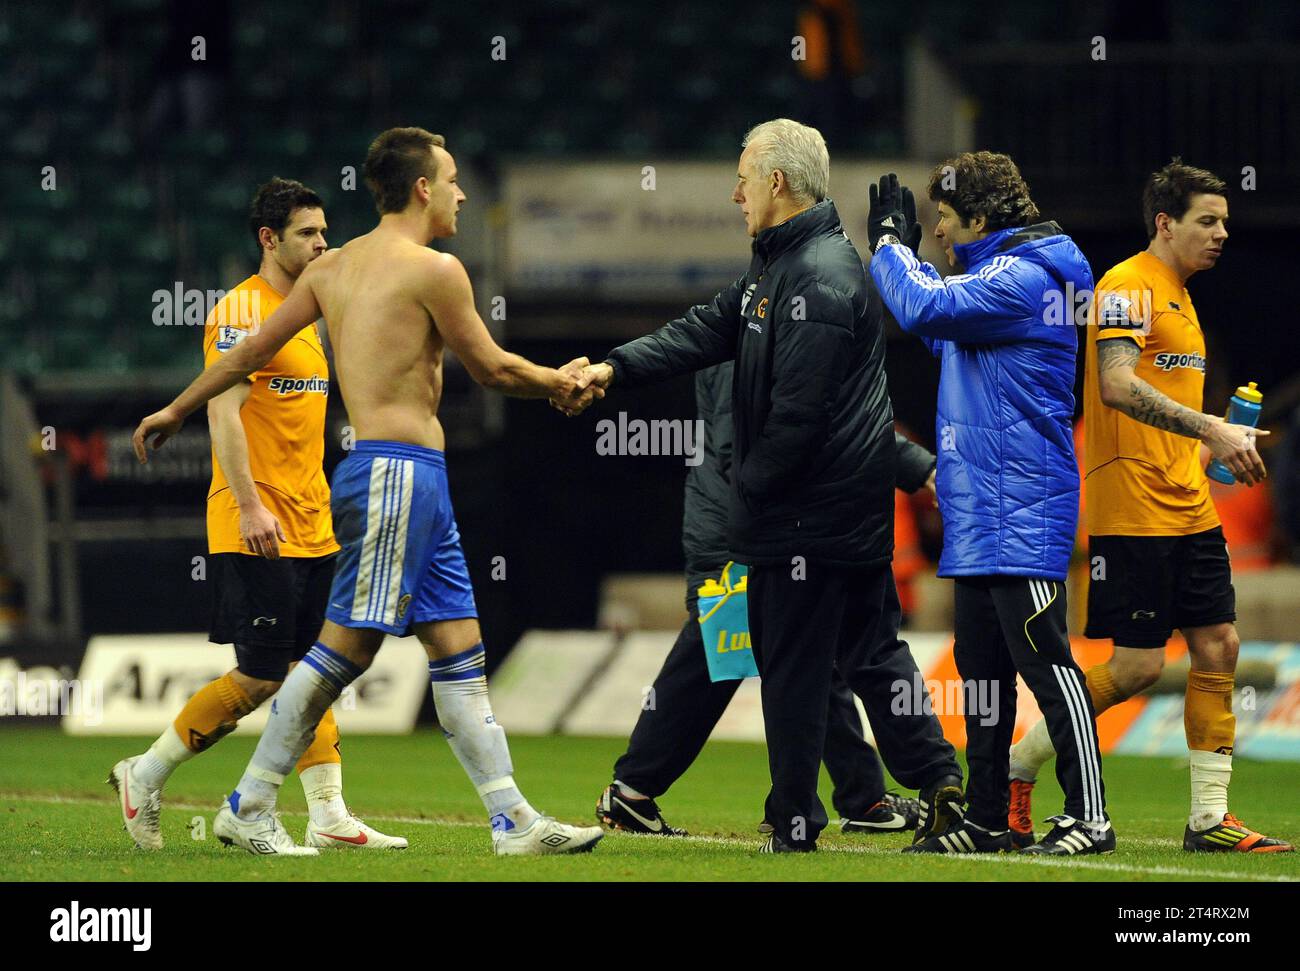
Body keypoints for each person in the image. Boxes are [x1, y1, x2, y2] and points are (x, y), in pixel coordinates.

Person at [132, 127, 603, 856]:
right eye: (450, 179)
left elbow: (248, 354)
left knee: (459, 648)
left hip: (412, 482)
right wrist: (563, 381)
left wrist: (174, 407)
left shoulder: (335, 270)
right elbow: (492, 369)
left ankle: (512, 820)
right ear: (422, 188)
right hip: (394, 472)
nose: (461, 192)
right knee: (341, 652)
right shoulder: (435, 270)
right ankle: (249, 802)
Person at [571, 119, 965, 853]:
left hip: (801, 522)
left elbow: (798, 419)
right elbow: (702, 329)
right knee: (867, 658)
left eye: (744, 178)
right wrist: (612, 369)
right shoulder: (781, 270)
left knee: (792, 669)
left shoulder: (810, 276)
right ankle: (935, 787)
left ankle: (797, 821)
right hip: (835, 516)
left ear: (777, 182)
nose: (735, 193)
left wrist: (751, 499)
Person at [1006, 159, 1292, 854]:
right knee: (1135, 666)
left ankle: (1209, 819)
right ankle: (1017, 766)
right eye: (1208, 220)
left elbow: (1165, 419)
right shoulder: (1126, 285)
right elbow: (1114, 386)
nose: (1223, 232)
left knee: (1218, 643)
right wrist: (1211, 428)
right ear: (1165, 223)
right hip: (1132, 509)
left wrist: (1215, 448)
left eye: (1225, 220)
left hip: (1188, 503)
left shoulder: (1184, 299)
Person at [110, 179, 405, 851]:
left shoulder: (309, 314)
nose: (323, 242)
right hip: (256, 520)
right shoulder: (243, 310)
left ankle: (328, 813)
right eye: (308, 232)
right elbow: (224, 412)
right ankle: (146, 772)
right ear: (270, 239)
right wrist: (249, 505)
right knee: (263, 675)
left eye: (326, 231)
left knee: (320, 666)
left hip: (312, 521)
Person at [596, 359, 958, 838]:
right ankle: (633, 790)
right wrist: (911, 466)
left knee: (809, 661)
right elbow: (749, 442)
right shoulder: (750, 335)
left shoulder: (776, 328)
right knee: (715, 661)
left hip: (767, 530)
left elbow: (828, 425)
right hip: (742, 535)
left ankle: (863, 795)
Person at [868, 155, 1113, 856]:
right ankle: (984, 818)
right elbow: (938, 325)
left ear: (980, 218)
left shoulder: (1028, 275)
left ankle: (1090, 815)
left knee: (1048, 664)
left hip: (1024, 508)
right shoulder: (994, 281)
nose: (940, 233)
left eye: (945, 220)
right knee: (983, 677)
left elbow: (926, 306)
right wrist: (907, 262)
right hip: (981, 514)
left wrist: (889, 248)